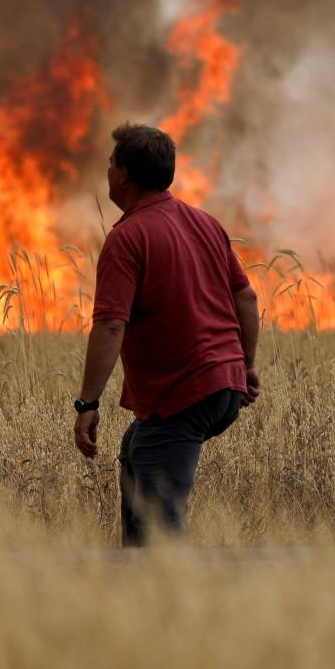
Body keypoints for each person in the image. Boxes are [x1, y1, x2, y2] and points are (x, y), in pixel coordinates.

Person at [72, 123, 260, 546]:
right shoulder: (204, 222)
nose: (106, 171)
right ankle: (137, 581)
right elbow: (246, 299)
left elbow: (111, 324)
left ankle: (175, 595)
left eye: (110, 162)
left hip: (185, 391)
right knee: (137, 450)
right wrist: (245, 366)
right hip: (223, 386)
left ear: (123, 175)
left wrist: (88, 403)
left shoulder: (127, 237)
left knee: (162, 520)